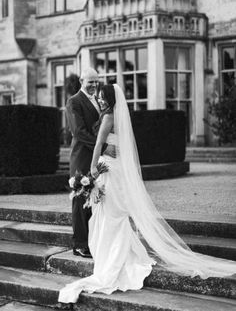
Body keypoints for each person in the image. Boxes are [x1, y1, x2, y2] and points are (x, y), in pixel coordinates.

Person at [59, 84, 236, 304]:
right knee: (114, 215)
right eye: (100, 98)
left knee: (109, 216)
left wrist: (93, 171)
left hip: (107, 170)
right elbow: (117, 146)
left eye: (104, 98)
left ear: (112, 100)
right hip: (116, 169)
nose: (101, 101)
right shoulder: (118, 118)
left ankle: (112, 258)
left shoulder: (107, 119)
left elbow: (97, 146)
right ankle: (121, 254)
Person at [65, 68, 115, 258]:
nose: (94, 85)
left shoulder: (99, 101)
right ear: (81, 80)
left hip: (98, 159)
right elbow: (79, 132)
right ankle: (79, 245)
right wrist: (103, 148)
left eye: (96, 82)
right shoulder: (74, 101)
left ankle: (94, 241)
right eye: (90, 82)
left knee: (97, 199)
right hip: (82, 158)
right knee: (80, 200)